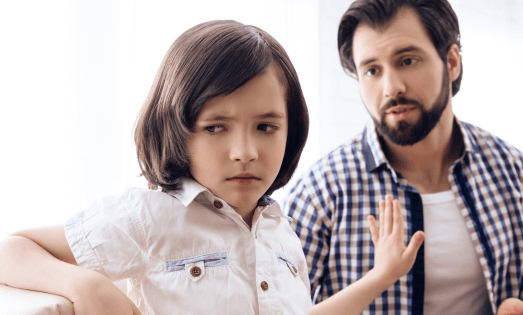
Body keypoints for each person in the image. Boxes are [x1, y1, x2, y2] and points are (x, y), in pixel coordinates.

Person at [0, 19, 425, 315]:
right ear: (178, 128)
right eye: (216, 127)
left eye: (266, 126)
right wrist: (85, 284)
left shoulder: (281, 231)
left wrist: (382, 275)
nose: (245, 151)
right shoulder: (149, 216)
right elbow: (11, 250)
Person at [283, 1, 523, 315]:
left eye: (407, 61)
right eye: (371, 70)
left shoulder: (513, 171)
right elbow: (282, 308)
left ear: (452, 62)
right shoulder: (320, 191)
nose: (391, 88)